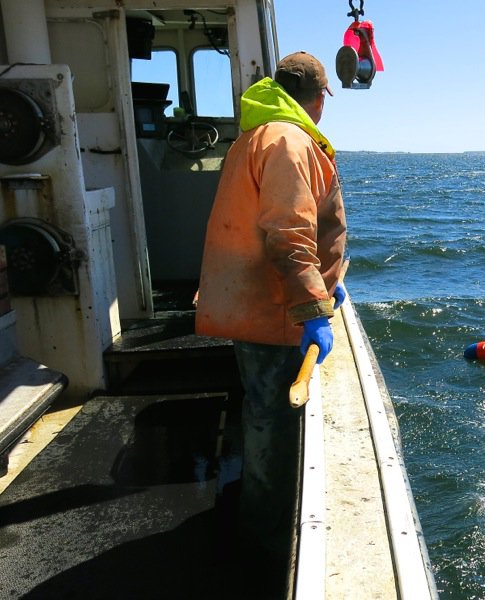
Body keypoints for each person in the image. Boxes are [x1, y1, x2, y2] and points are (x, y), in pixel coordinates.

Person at [195, 51, 347, 571]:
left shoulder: (255, 135)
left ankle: (259, 517)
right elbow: (289, 235)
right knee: (272, 425)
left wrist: (329, 286)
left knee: (261, 411)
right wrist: (311, 309)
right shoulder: (289, 140)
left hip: (257, 304)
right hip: (275, 310)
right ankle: (264, 539)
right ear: (318, 97)